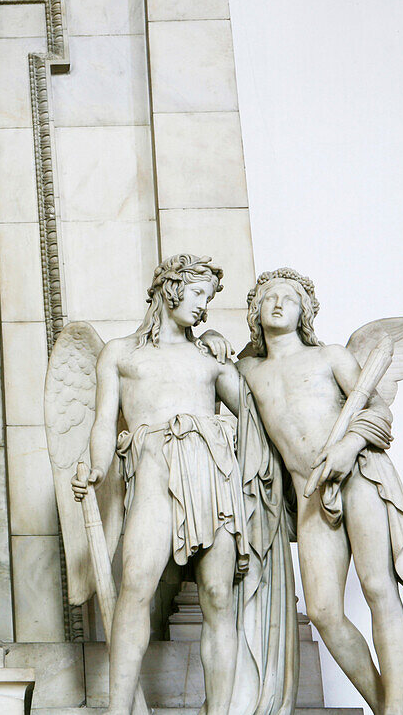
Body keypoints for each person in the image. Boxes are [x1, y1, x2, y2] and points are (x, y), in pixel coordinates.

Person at [238, 269, 403, 715]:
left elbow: (378, 413)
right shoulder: (248, 372)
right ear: (255, 313)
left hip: (359, 475)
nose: (278, 303)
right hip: (310, 496)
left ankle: (395, 710)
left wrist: (349, 444)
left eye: (289, 298)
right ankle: (385, 708)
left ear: (305, 313)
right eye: (268, 298)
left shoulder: (331, 356)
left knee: (379, 586)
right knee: (322, 611)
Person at [72, 256, 248, 715]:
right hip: (152, 469)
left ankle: (220, 711)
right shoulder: (121, 353)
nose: (203, 306)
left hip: (212, 473)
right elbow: (103, 423)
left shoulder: (207, 355)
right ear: (170, 288)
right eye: (197, 293)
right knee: (135, 585)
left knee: (217, 594)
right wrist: (94, 467)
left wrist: (233, 355)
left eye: (208, 299)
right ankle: (119, 709)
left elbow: (256, 411)